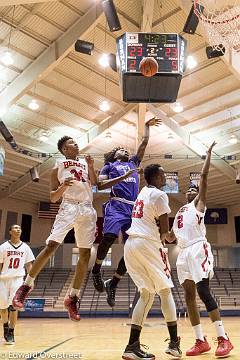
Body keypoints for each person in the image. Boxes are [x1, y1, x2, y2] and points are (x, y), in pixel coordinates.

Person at [12, 136, 98, 321]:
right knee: (51, 245)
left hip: (87, 208)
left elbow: (95, 183)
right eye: (71, 144)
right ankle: (26, 285)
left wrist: (91, 166)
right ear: (64, 150)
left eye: (76, 142)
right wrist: (62, 187)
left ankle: (72, 297)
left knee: (85, 254)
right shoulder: (57, 166)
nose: (76, 144)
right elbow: (52, 198)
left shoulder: (84, 163)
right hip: (68, 206)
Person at [171, 142, 233, 357]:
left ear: (198, 195)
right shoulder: (179, 212)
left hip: (198, 249)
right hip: (182, 252)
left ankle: (224, 338)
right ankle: (200, 341)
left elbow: (204, 179)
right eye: (188, 189)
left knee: (203, 291)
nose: (190, 190)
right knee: (188, 296)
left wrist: (207, 156)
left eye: (194, 190)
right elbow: (171, 236)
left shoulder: (199, 206)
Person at [92, 118, 161, 307]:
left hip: (133, 208)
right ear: (114, 155)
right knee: (109, 238)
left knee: (134, 248)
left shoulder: (133, 163)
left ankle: (113, 282)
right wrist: (123, 177)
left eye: (126, 149)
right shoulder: (109, 167)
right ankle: (96, 270)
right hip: (116, 205)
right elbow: (99, 185)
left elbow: (144, 143)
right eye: (120, 149)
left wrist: (146, 127)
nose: (125, 150)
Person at [122, 164, 182, 360]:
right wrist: (178, 232)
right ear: (156, 177)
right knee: (165, 291)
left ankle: (132, 346)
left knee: (146, 294)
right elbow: (166, 235)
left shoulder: (142, 192)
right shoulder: (159, 194)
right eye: (164, 174)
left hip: (131, 245)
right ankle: (174, 344)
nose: (166, 177)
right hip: (148, 244)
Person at [0, 224, 35, 344]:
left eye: (20, 228)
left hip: (18, 279)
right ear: (10, 231)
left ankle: (11, 331)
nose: (18, 229)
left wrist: (31, 280)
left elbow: (29, 265)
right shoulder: (3, 247)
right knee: (3, 308)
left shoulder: (25, 247)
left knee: (14, 306)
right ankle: (5, 326)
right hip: (3, 279)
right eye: (15, 228)